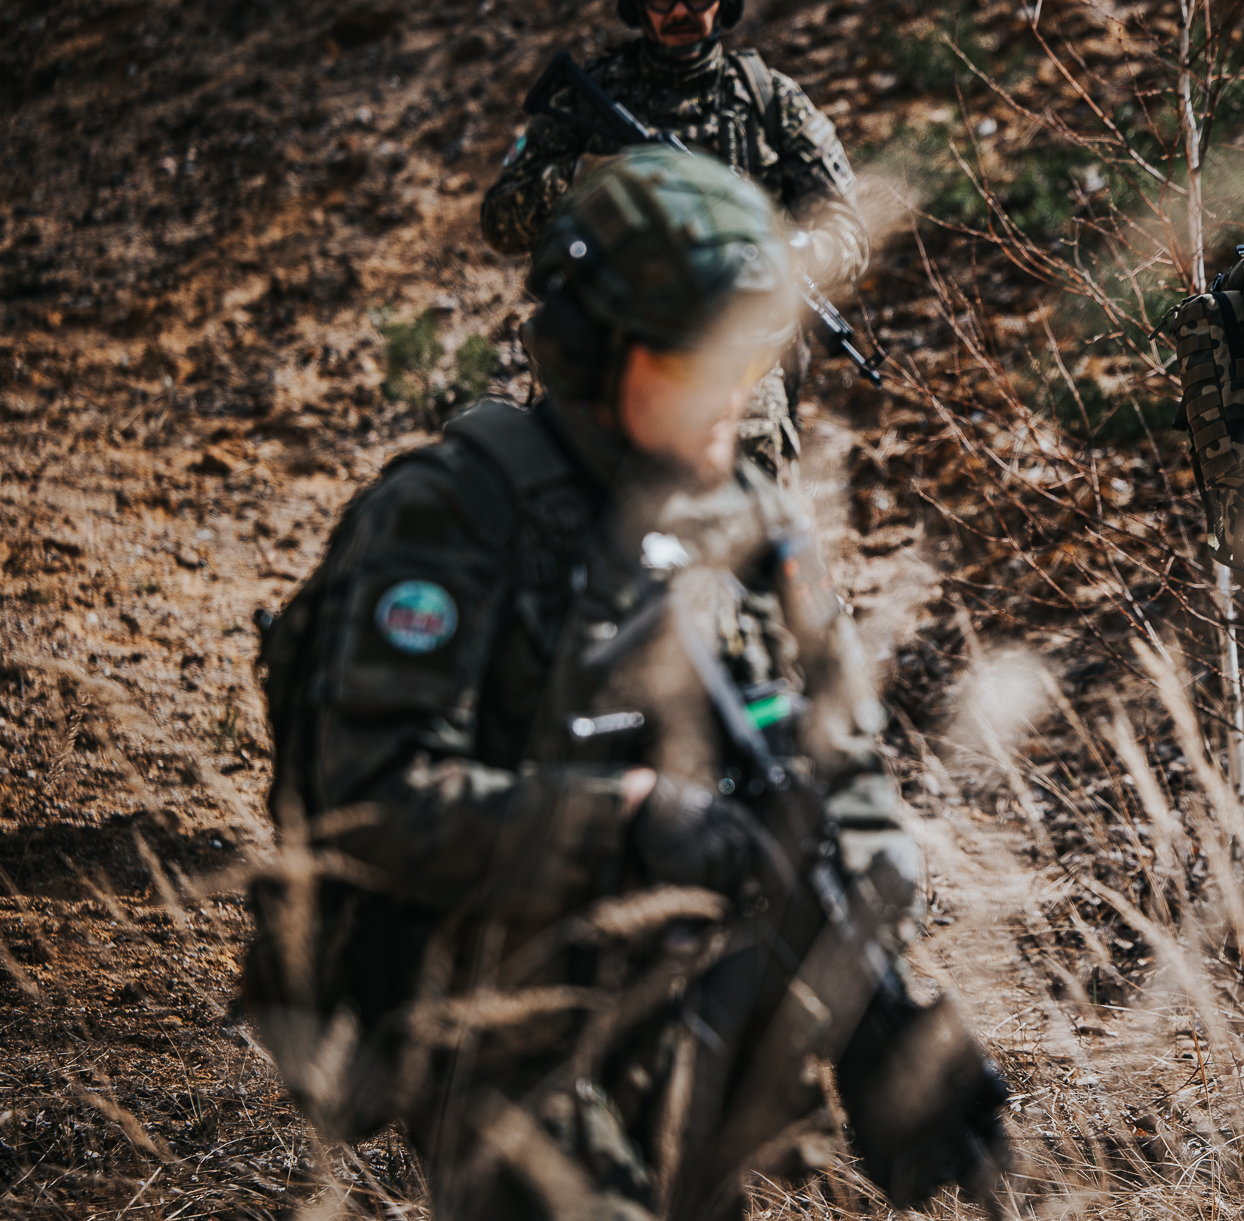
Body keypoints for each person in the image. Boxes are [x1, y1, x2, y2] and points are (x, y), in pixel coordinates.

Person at [246, 150, 1006, 1220]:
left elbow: (845, 764)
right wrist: (627, 819)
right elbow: (371, 800)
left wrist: (879, 1004)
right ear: (596, 348)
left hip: (702, 1015)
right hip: (498, 1012)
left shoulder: (755, 518)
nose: (734, 390)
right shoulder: (454, 512)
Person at [481, 0, 870, 483]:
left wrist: (796, 253)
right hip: (605, 348)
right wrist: (584, 178)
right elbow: (500, 222)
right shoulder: (589, 102)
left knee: (743, 527)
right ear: (636, 3)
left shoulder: (769, 101)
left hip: (733, 357)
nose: (682, 11)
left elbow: (849, 230)